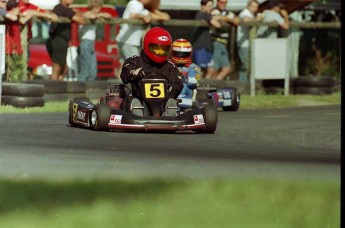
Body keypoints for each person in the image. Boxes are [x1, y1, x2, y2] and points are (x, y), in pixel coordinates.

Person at [120, 27, 183, 115]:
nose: (160, 52)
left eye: (163, 50)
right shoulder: (135, 61)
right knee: (131, 100)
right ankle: (137, 114)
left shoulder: (169, 66)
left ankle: (169, 113)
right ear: (147, 46)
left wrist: (174, 88)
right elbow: (125, 74)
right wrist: (133, 73)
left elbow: (178, 82)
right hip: (139, 100)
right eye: (157, 49)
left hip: (162, 103)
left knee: (171, 101)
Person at [116, 0, 169, 67]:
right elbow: (132, 15)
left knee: (128, 69)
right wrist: (143, 17)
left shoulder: (143, 9)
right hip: (128, 42)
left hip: (129, 42)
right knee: (137, 67)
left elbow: (166, 17)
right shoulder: (135, 3)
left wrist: (153, 11)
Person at [18, 0, 58, 80]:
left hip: (27, 39)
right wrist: (38, 13)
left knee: (25, 62)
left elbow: (42, 11)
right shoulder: (17, 4)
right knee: (20, 63)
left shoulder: (29, 5)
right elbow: (25, 13)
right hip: (17, 39)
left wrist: (50, 15)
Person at [46, 0, 85, 81]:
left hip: (59, 40)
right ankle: (54, 85)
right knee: (57, 66)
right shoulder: (63, 8)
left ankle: (58, 84)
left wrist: (75, 11)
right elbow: (81, 20)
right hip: (58, 40)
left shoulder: (61, 8)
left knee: (63, 67)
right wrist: (76, 14)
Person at [77, 0, 111, 81]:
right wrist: (97, 16)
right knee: (85, 69)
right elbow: (90, 16)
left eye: (99, 8)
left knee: (93, 70)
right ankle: (79, 87)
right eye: (96, 8)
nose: (98, 10)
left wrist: (99, 15)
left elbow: (109, 16)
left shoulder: (97, 14)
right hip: (85, 42)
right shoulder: (86, 13)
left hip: (91, 43)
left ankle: (90, 88)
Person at [206, 0, 240, 80]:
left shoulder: (227, 12)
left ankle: (216, 84)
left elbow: (237, 21)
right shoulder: (214, 10)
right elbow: (216, 18)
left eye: (225, 2)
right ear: (217, 2)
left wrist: (226, 19)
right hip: (216, 42)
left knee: (226, 69)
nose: (223, 4)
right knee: (213, 68)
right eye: (221, 2)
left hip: (224, 43)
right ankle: (206, 85)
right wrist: (229, 20)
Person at [4, 0, 33, 81]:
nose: (18, 8)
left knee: (19, 68)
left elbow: (22, 20)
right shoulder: (8, 14)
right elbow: (13, 17)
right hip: (9, 48)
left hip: (17, 47)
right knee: (10, 70)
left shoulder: (16, 15)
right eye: (15, 7)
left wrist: (28, 14)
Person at [192, 0, 221, 77]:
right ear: (203, 6)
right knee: (199, 71)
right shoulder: (203, 14)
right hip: (201, 47)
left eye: (212, 6)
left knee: (210, 70)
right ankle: (198, 88)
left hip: (206, 47)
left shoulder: (204, 15)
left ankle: (204, 87)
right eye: (209, 6)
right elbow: (217, 25)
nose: (211, 8)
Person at [236, 0, 263, 82]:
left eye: (256, 7)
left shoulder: (251, 14)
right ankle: (243, 84)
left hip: (249, 43)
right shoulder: (245, 13)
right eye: (253, 6)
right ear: (248, 6)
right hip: (244, 43)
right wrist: (258, 19)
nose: (255, 8)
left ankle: (247, 84)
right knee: (245, 65)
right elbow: (246, 20)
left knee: (249, 65)